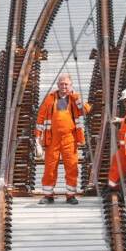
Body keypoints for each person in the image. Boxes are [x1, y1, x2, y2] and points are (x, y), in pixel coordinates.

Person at [34, 73, 90, 205]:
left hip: (69, 139)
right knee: (50, 167)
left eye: (66, 84)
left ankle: (71, 195)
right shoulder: (50, 98)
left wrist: (76, 96)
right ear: (57, 85)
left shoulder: (74, 98)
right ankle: (48, 195)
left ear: (71, 85)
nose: (63, 86)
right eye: (61, 84)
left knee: (71, 167)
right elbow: (40, 118)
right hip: (52, 139)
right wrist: (37, 138)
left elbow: (86, 110)